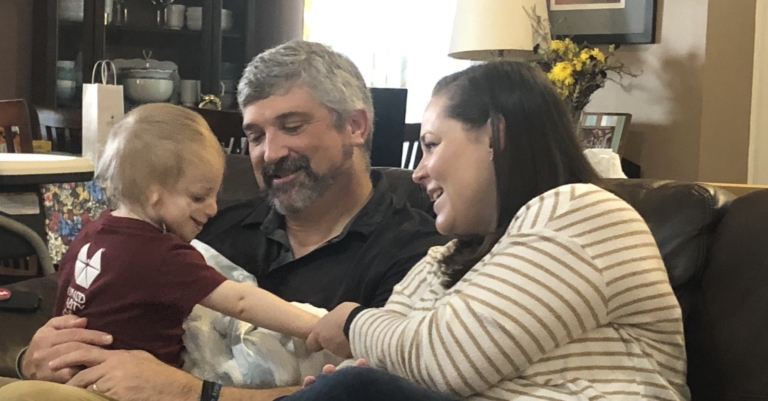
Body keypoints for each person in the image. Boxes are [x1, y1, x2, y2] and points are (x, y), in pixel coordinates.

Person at [0, 41, 448, 401]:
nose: (269, 153)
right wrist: (33, 357)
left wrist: (197, 393)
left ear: (355, 126)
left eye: (291, 126)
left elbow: (384, 393)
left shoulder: (415, 253)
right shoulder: (206, 227)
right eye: (254, 135)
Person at [294, 61, 691, 400]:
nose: (417, 171)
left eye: (431, 144)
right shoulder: (443, 258)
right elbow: (392, 356)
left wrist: (351, 321)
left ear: (495, 136)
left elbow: (448, 358)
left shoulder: (582, 213)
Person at [54, 103, 319, 367]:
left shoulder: (90, 234)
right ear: (153, 193)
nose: (213, 209)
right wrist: (315, 326)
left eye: (215, 195)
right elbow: (240, 302)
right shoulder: (160, 255)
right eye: (199, 197)